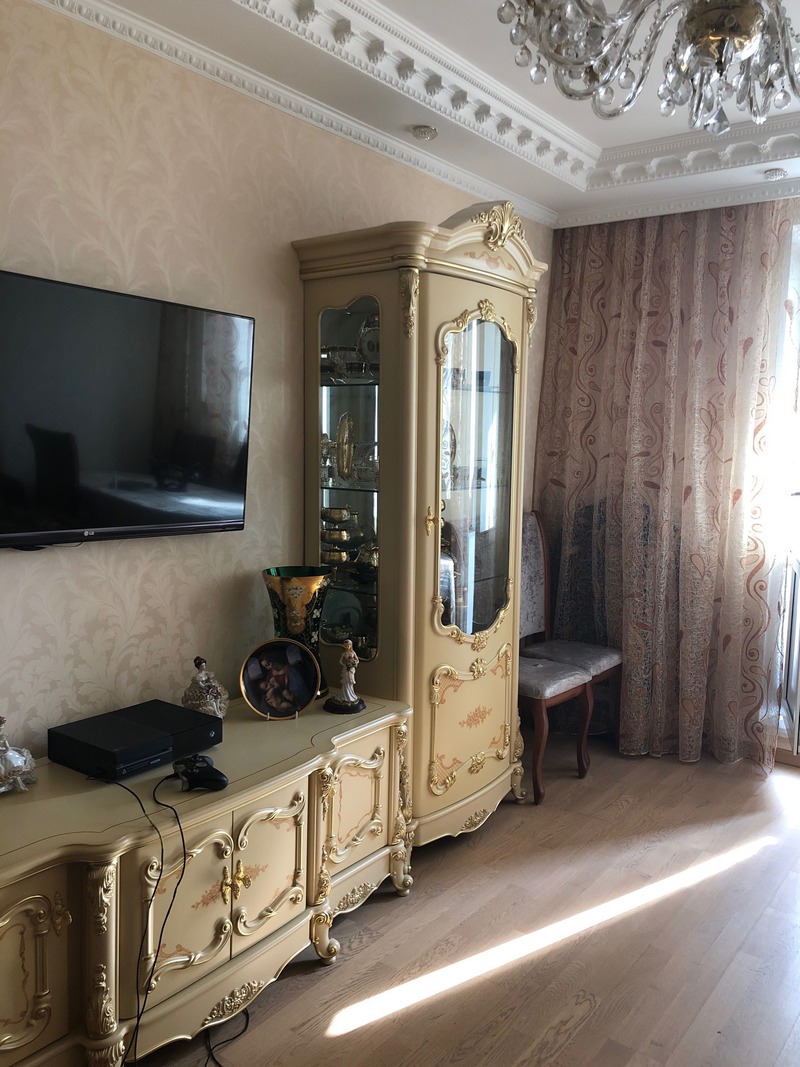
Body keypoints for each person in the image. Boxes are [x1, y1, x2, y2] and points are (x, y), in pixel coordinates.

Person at [338, 639, 359, 704]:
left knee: (350, 681)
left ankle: (351, 695)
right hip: (346, 668)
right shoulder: (344, 653)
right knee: (346, 681)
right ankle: (345, 696)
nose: (347, 647)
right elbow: (340, 661)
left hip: (351, 669)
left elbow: (357, 660)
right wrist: (345, 665)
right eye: (345, 646)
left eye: (348, 645)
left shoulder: (353, 653)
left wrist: (354, 663)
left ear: (351, 645)